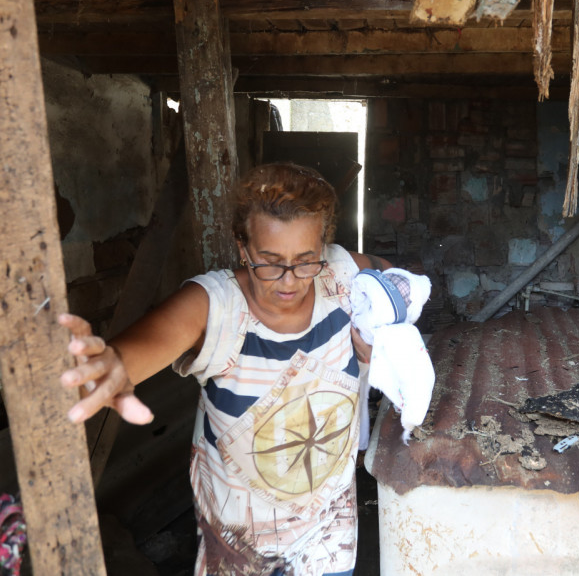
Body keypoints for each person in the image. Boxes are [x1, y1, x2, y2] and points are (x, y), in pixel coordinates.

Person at [59, 162, 389, 576]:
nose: (289, 281)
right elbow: (145, 345)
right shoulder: (216, 307)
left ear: (323, 249)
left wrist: (380, 327)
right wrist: (113, 366)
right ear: (242, 247)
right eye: (269, 262)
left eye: (306, 261)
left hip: (330, 536)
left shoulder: (340, 273)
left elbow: (394, 278)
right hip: (242, 547)